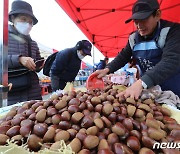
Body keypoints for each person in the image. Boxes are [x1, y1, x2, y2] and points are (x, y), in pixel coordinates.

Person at [94, 0, 180, 99]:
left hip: (173, 92)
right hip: (150, 92)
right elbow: (123, 56)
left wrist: (142, 82)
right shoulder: (133, 38)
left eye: (143, 20)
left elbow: (171, 60)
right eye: (136, 22)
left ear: (157, 15)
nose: (139, 26)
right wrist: (107, 69)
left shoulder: (173, 31)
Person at [8, 0, 44, 105]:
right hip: (12, 95)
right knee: (13, 120)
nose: (27, 24)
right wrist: (19, 59)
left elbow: (36, 66)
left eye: (30, 22)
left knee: (35, 119)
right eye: (23, 19)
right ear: (13, 18)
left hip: (34, 93)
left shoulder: (33, 43)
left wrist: (39, 65)